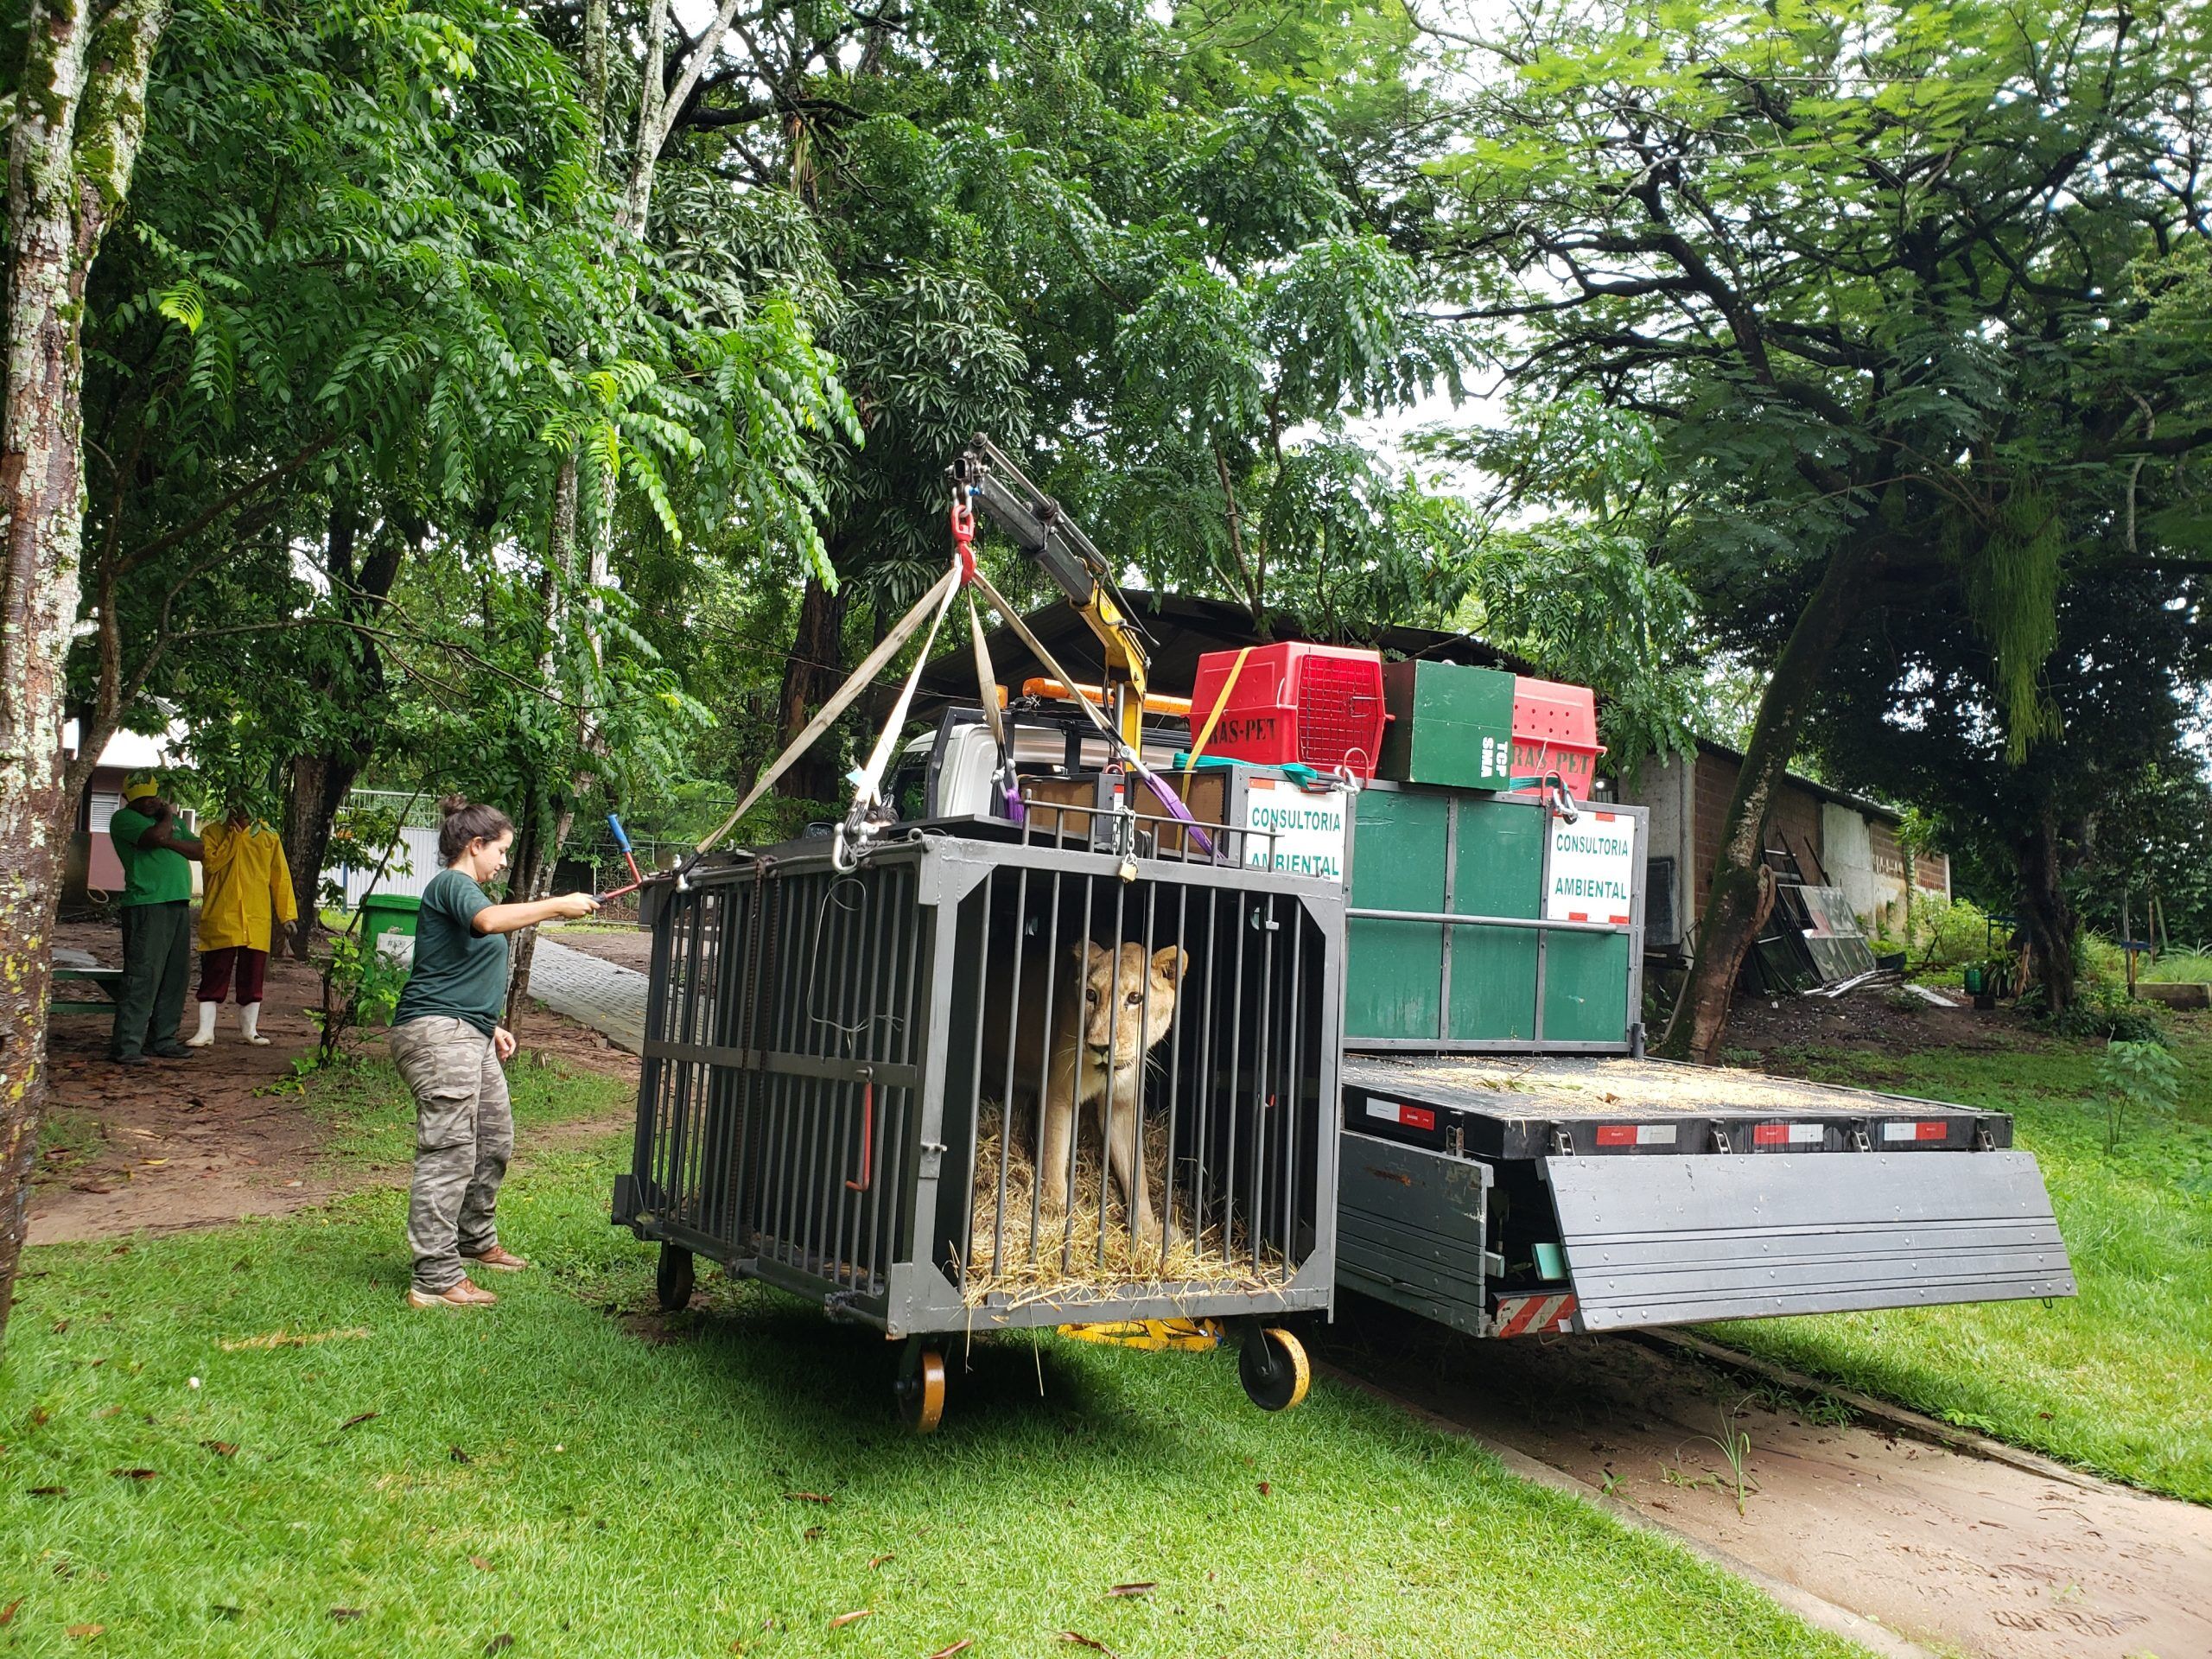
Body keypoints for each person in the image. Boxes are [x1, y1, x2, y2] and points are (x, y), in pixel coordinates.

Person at [388, 795, 598, 1309]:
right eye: (500, 851)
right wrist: (555, 905)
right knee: (450, 1151)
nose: (504, 861)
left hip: (470, 1033)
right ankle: (435, 1278)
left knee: (493, 1138)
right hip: (437, 1034)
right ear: (474, 846)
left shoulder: (468, 893)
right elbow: (486, 924)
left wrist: (492, 1025)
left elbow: (459, 966)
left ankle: (473, 1240)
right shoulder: (453, 885)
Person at [106, 778, 203, 1065]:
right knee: (143, 975)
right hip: (147, 904)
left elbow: (200, 851)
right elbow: (153, 839)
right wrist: (169, 821)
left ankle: (163, 1039)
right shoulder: (124, 819)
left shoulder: (166, 822)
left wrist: (170, 837)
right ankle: (127, 1045)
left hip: (177, 902)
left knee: (175, 976)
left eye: (154, 796)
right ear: (127, 799)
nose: (151, 801)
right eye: (143, 798)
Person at [188, 804, 296, 1047]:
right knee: (215, 971)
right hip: (222, 914)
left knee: (253, 972)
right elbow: (212, 864)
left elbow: (280, 876)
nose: (240, 812)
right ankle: (205, 1031)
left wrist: (286, 915)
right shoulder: (213, 833)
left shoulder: (268, 835)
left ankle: (251, 1030)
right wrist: (234, 838)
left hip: (256, 916)